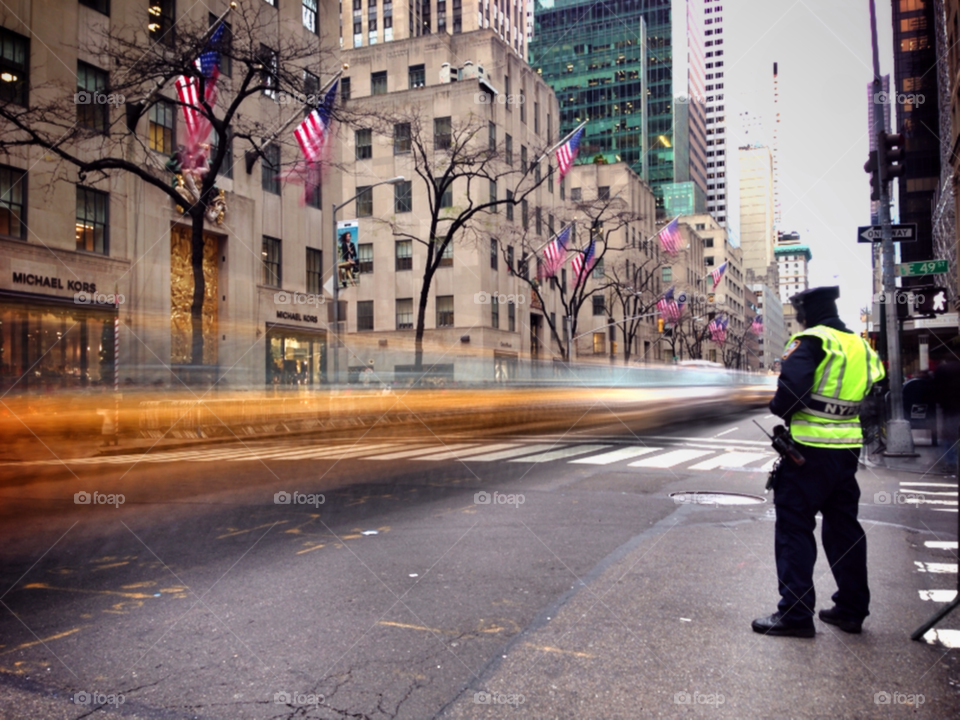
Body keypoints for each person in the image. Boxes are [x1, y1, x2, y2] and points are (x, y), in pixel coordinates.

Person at [752, 286, 885, 638]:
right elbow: (875, 397)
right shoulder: (861, 346)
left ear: (806, 313)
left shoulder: (811, 341)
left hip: (806, 455)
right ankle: (851, 609)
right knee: (845, 530)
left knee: (794, 528)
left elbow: (788, 396)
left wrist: (781, 409)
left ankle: (795, 614)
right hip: (846, 453)